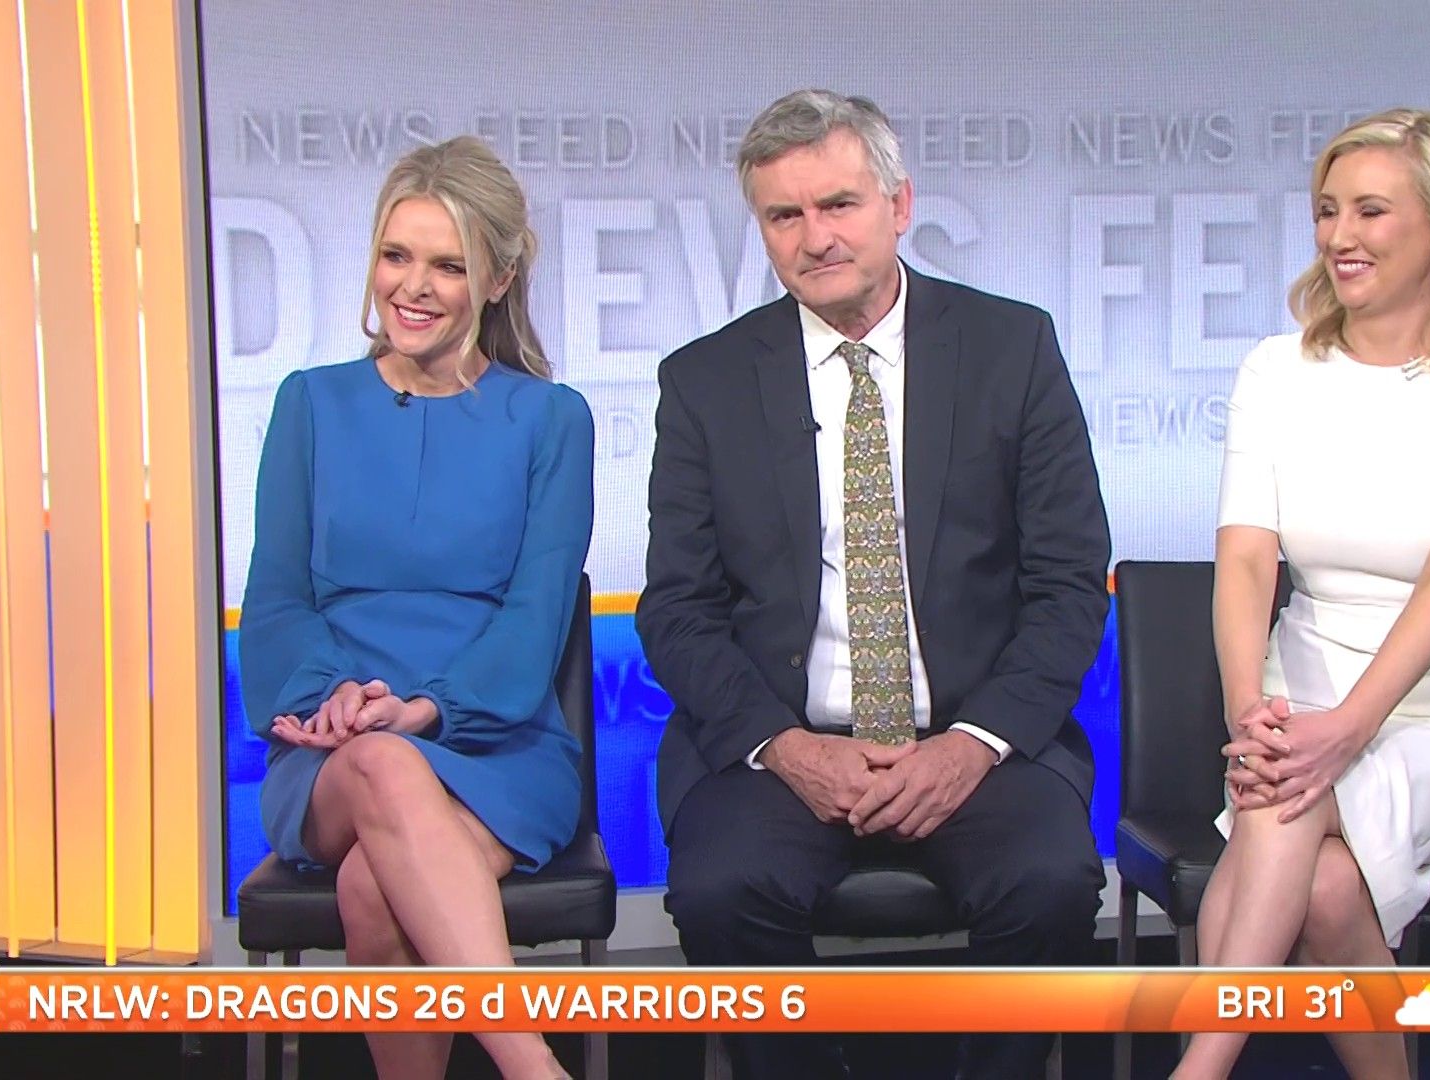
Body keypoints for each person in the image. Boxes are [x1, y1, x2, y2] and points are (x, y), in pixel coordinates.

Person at [637, 89, 1111, 1080]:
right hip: (782, 747)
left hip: (979, 742)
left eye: (839, 205)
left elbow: (1069, 583)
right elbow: (678, 608)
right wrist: (789, 748)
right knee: (722, 892)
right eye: (785, 215)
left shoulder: (1011, 349)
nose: (815, 238)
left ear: (899, 206)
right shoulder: (704, 381)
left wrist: (972, 745)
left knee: (1051, 884)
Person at [1174, 108, 1430, 1080]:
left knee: (1291, 797)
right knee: (1325, 881)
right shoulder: (1277, 369)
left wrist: (1345, 729)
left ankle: (1199, 1068)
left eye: (1370, 211)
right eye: (1327, 210)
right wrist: (1249, 712)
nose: (1340, 235)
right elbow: (1246, 561)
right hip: (1297, 700)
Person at [239, 135, 591, 1080]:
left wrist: (430, 707)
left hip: (498, 744)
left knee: (374, 881)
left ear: (499, 279)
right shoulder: (311, 405)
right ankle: (535, 1068)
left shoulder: (550, 419)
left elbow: (536, 614)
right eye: (397, 255)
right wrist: (335, 698)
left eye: (449, 264)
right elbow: (275, 596)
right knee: (382, 764)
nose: (415, 286)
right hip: (334, 746)